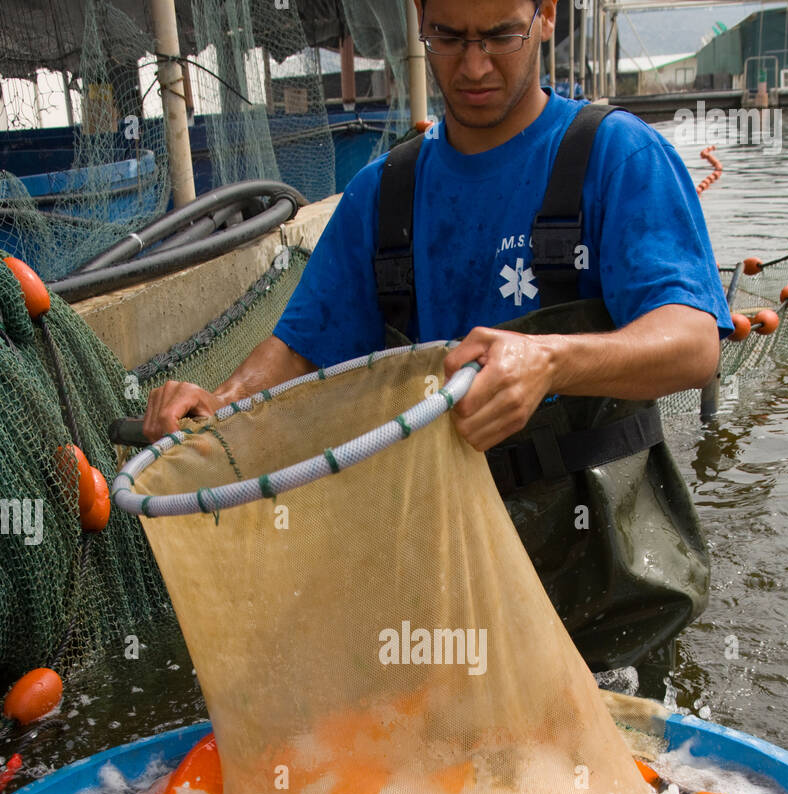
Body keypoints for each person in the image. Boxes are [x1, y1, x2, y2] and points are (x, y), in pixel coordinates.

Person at [144, 0, 733, 677]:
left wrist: (550, 361)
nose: (474, 64)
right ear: (419, 20)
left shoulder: (618, 155)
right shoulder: (383, 192)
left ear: (544, 15)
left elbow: (692, 344)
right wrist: (219, 407)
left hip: (598, 580)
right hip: (435, 578)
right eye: (448, 38)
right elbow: (301, 351)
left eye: (499, 36)